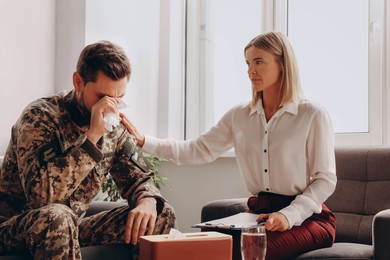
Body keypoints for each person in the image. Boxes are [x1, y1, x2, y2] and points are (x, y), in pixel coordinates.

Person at [122, 31, 337, 259]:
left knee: (243, 249)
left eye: (258, 62)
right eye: (247, 63)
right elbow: (196, 150)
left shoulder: (312, 115)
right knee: (204, 245)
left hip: (309, 219)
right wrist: (144, 141)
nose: (250, 71)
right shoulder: (239, 116)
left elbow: (325, 179)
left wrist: (288, 215)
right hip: (259, 215)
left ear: (282, 63)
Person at [0, 41, 176, 259]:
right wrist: (91, 138)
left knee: (160, 213)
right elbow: (42, 198)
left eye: (118, 98)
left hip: (71, 225)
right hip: (17, 228)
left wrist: (148, 201)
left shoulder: (113, 127)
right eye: (102, 97)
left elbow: (139, 179)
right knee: (58, 216)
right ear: (78, 82)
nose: (110, 106)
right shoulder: (40, 118)